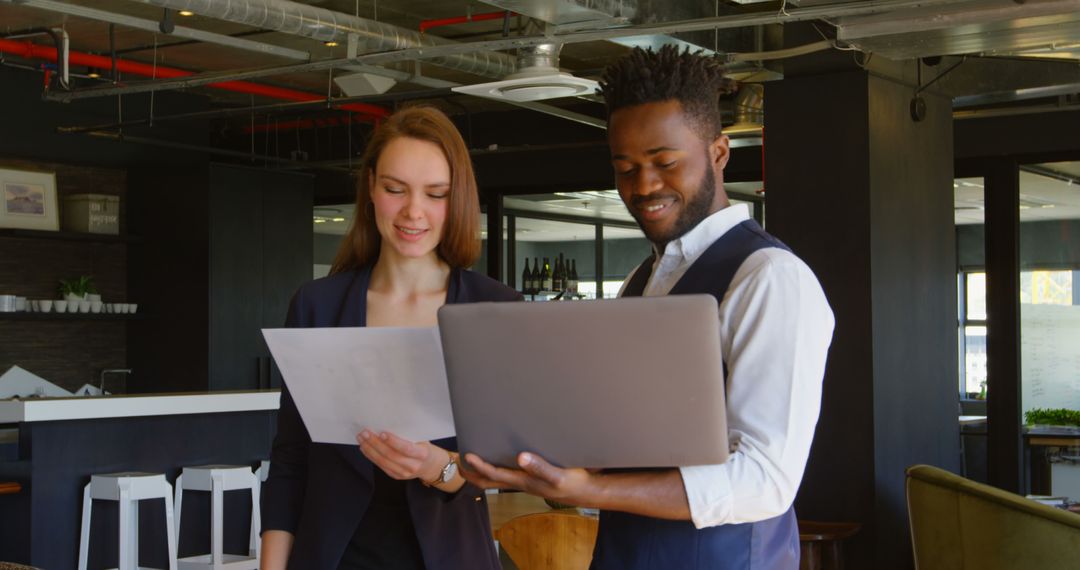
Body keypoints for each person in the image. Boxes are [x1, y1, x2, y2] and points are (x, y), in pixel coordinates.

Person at [462, 46, 835, 569]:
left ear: (720, 153)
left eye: (665, 162)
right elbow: (625, 445)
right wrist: (543, 464)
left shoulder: (769, 279)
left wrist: (593, 490)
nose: (644, 186)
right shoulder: (642, 281)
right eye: (626, 168)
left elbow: (764, 481)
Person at [260, 106, 520, 570]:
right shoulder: (316, 305)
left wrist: (437, 468)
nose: (412, 212)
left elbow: (509, 461)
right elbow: (291, 460)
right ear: (370, 191)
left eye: (435, 194)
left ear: (455, 199)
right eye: (394, 189)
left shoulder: (493, 309)